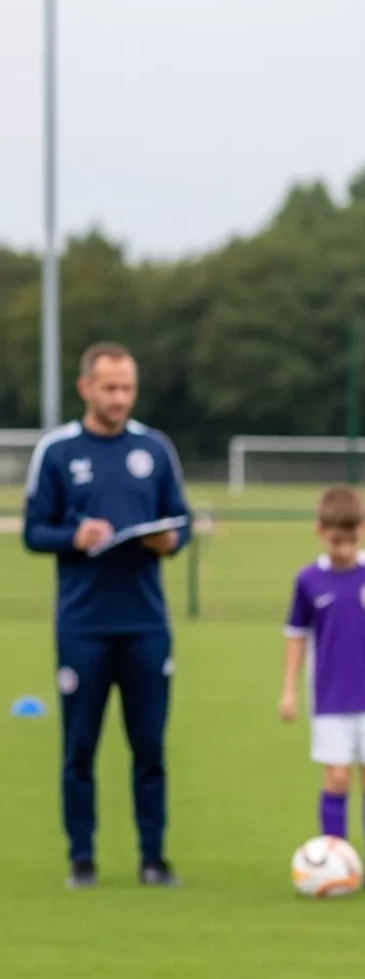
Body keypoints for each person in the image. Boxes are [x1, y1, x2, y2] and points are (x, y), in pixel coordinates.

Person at [20, 341, 191, 887]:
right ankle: (82, 858)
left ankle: (152, 858)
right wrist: (75, 535)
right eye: (110, 387)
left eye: (127, 388)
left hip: (145, 623)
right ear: (85, 388)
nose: (119, 398)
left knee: (149, 745)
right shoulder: (57, 451)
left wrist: (169, 540)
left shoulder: (155, 448)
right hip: (83, 625)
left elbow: (181, 522)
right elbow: (32, 530)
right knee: (80, 748)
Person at [278, 485, 365, 893]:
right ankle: (333, 864)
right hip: (330, 700)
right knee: (336, 779)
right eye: (336, 541)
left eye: (351, 540)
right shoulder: (308, 579)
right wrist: (288, 690)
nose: (343, 549)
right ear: (320, 531)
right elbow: (295, 635)